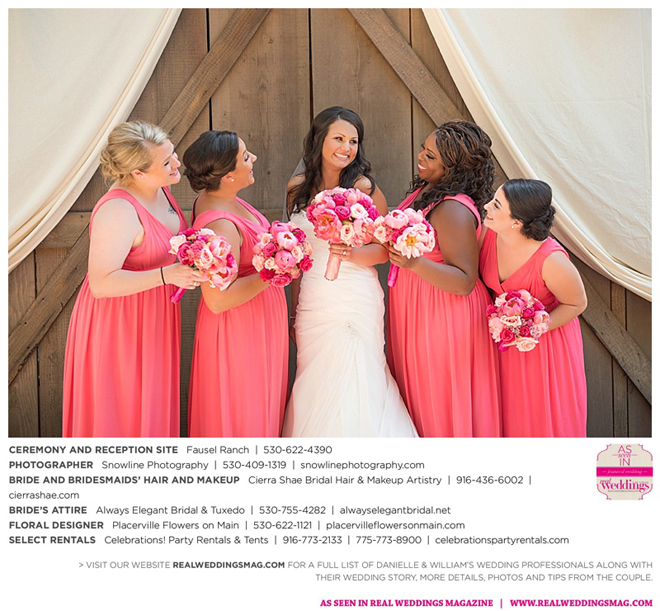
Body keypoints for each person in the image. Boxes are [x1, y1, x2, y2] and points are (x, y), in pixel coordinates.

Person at [282, 106, 417, 437]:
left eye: (353, 141)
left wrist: (353, 253)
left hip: (355, 295)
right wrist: (294, 310)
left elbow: (384, 250)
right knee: (315, 375)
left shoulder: (364, 188)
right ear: (319, 140)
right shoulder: (297, 187)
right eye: (339, 139)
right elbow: (298, 255)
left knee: (358, 371)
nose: (346, 148)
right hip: (313, 297)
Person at [63, 120, 204, 437]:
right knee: (121, 413)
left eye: (172, 154)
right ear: (138, 173)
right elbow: (101, 283)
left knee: (150, 410)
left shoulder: (161, 188)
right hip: (119, 324)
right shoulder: (118, 211)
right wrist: (168, 274)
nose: (176, 164)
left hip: (155, 315)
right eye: (165, 162)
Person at [386, 120, 502, 437]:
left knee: (440, 403)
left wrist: (415, 263)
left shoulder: (452, 208)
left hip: (444, 319)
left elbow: (464, 281)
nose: (421, 157)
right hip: (419, 312)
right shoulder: (428, 191)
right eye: (424, 149)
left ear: (454, 167)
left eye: (431, 156)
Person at [184, 130, 288, 437]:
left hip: (258, 323)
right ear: (228, 176)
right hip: (240, 332)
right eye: (245, 156)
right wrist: (275, 270)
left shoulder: (222, 197)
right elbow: (217, 300)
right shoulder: (221, 226)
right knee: (243, 413)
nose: (253, 158)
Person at [480, 178, 587, 436]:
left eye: (496, 205)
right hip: (505, 345)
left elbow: (577, 303)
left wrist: (532, 328)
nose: (486, 206)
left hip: (546, 348)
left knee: (542, 420)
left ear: (516, 222)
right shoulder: (488, 234)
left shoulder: (551, 260)